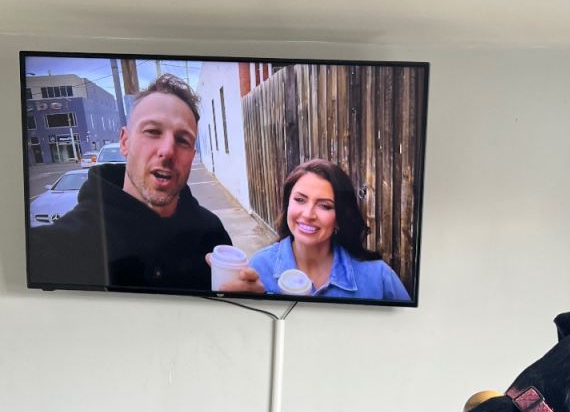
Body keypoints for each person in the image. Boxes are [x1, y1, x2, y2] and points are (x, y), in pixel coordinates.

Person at [28, 74, 250, 292]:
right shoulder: (59, 248)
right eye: (152, 131)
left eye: (183, 140)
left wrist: (245, 302)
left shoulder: (211, 233)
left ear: (192, 156)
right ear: (125, 142)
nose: (167, 151)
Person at [213, 159, 410, 300]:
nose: (308, 214)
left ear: (340, 217)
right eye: (300, 200)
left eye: (325, 206)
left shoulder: (378, 278)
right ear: (287, 205)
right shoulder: (258, 268)